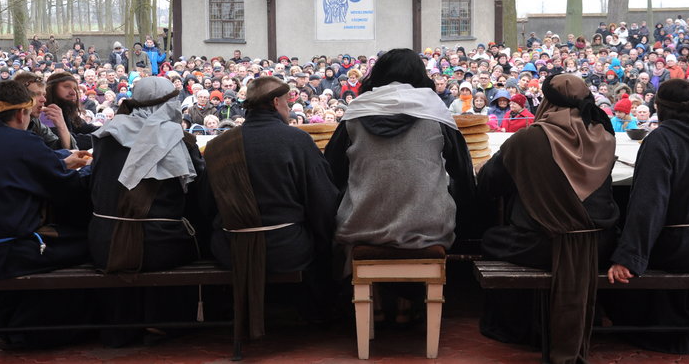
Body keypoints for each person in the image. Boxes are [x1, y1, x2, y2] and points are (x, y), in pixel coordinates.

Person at [476, 74, 618, 362]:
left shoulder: (528, 138)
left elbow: (491, 184)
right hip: (600, 244)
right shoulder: (605, 135)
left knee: (491, 239)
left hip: (544, 244)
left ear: (547, 102)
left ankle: (518, 327)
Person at [606, 79, 689, 354]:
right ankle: (683, 321)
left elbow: (648, 204)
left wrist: (629, 257)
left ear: (660, 107)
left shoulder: (661, 138)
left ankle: (666, 332)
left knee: (606, 250)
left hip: (684, 247)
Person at [203, 76, 339, 338]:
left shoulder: (218, 145)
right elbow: (323, 201)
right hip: (285, 248)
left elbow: (207, 205)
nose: (289, 109)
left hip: (230, 249)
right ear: (276, 103)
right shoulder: (296, 140)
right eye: (288, 103)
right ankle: (319, 312)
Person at [87, 76, 205, 346]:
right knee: (194, 240)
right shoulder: (181, 140)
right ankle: (167, 321)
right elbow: (198, 190)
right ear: (167, 105)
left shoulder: (106, 135)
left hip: (104, 241)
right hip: (158, 244)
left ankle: (121, 327)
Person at [0, 81, 92, 348]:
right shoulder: (24, 142)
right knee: (87, 243)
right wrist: (86, 170)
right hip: (0, 254)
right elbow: (67, 189)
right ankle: (37, 332)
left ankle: (6, 323)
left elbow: (8, 171)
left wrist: (60, 162)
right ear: (20, 114)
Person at [324, 48, 476, 253]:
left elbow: (331, 172)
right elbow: (463, 172)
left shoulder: (355, 112)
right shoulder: (436, 110)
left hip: (359, 227)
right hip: (430, 230)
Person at [13, 72, 75, 150]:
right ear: (20, 96)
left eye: (44, 95)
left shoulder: (35, 122)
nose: (44, 99)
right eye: (37, 94)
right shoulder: (7, 123)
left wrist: (61, 125)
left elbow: (63, 150)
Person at [46, 71, 98, 150]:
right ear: (52, 89)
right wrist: (103, 136)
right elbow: (72, 142)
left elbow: (89, 128)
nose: (73, 92)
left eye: (75, 89)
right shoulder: (46, 114)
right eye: (67, 86)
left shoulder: (69, 114)